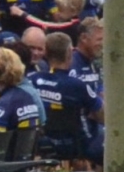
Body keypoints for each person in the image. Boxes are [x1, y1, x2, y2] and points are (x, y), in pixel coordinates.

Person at [30, 31, 99, 162]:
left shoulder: (33, 81)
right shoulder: (77, 86)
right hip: (73, 146)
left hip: (42, 143)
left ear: (45, 53)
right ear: (69, 53)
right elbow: (103, 115)